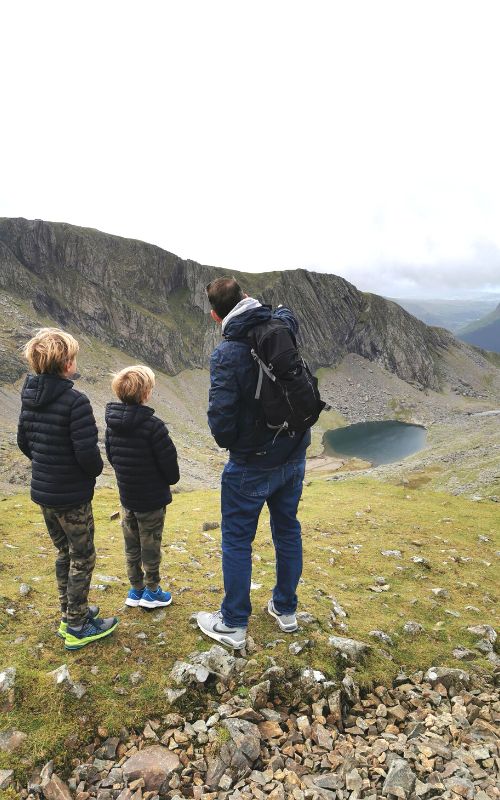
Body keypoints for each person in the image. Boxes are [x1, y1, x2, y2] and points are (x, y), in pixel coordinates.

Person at [197, 278, 311, 649]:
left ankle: (232, 622)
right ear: (246, 297)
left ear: (216, 315)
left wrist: (240, 444)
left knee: (236, 540)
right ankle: (286, 609)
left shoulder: (227, 354)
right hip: (294, 452)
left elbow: (221, 423)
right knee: (287, 528)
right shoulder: (282, 326)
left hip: (252, 463)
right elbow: (289, 313)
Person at [17, 328, 118, 650]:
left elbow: (24, 441)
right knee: (83, 556)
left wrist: (47, 465)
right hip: (71, 496)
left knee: (65, 553)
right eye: (73, 357)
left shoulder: (29, 394)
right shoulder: (75, 400)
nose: (76, 361)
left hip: (44, 491)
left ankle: (70, 611)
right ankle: (76, 626)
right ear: (65, 363)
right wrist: (94, 471)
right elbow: (87, 453)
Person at [105, 365, 180, 609]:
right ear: (145, 393)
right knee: (151, 545)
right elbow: (170, 470)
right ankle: (152, 591)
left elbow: (112, 458)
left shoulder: (111, 425)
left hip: (128, 498)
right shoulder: (154, 426)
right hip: (151, 501)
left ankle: (135, 589)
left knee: (131, 545)